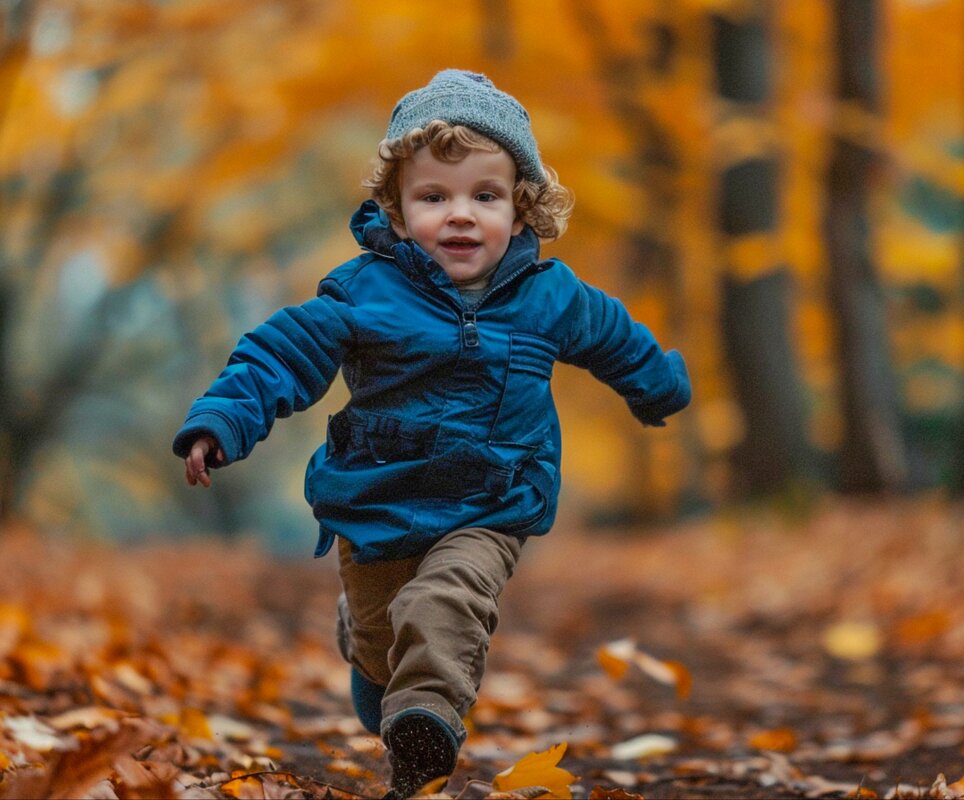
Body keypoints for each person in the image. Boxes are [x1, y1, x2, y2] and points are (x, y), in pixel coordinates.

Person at [173, 69, 690, 799]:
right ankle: (373, 655)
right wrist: (223, 419)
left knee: (444, 604)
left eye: (484, 197)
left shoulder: (551, 296)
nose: (460, 215)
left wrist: (658, 385)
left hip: (492, 501)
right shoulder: (361, 293)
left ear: (522, 206)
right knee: (389, 647)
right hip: (378, 503)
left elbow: (616, 340)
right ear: (394, 208)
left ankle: (424, 727)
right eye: (433, 197)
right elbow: (280, 354)